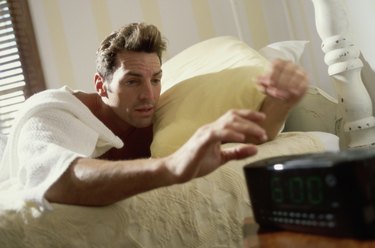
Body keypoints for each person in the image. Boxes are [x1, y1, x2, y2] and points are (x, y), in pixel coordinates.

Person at [0, 23, 308, 209]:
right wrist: (171, 167)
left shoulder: (162, 116)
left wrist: (282, 101)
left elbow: (256, 136)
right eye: (132, 81)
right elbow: (52, 178)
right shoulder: (54, 112)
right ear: (101, 85)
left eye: (156, 79)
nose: (149, 94)